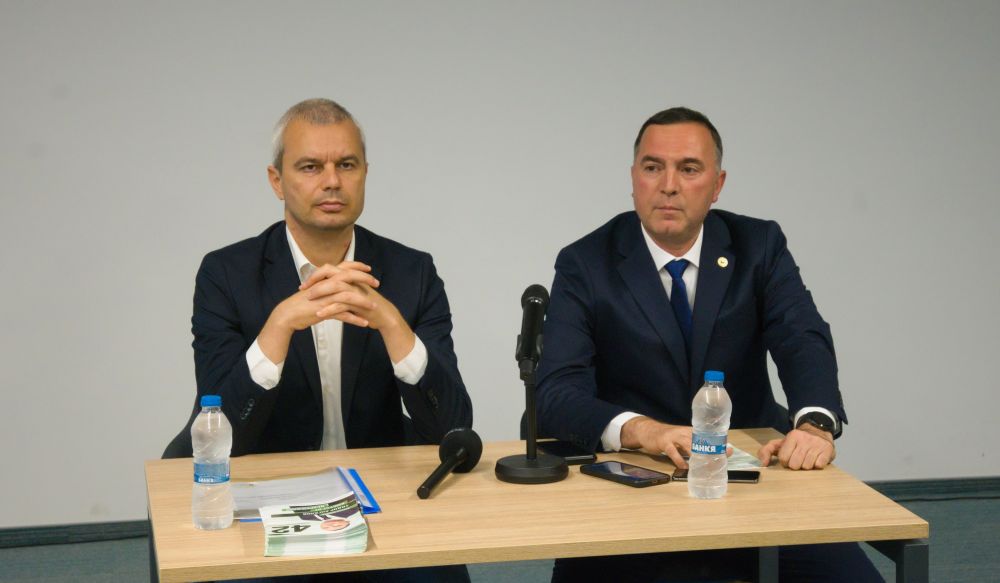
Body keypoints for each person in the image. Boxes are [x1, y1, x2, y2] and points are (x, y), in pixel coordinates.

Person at [535, 107, 882, 582]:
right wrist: (644, 431)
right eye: (653, 167)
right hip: (633, 485)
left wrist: (815, 424)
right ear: (633, 178)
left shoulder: (758, 245)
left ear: (717, 185)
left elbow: (801, 336)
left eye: (689, 169)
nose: (668, 185)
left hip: (750, 477)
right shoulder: (585, 262)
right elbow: (556, 392)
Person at [163, 98, 472, 583]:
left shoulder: (412, 272)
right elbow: (224, 431)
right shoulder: (226, 274)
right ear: (276, 181)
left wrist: (392, 325)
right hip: (269, 490)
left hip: (382, 495)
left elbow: (453, 425)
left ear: (365, 173)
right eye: (310, 167)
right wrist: (278, 328)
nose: (331, 181)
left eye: (346, 165)